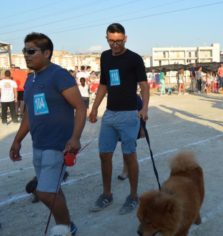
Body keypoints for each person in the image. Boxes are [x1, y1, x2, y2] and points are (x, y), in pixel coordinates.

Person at [9, 32, 86, 235]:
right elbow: (29, 113)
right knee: (53, 190)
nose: (26, 55)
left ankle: (67, 228)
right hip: (38, 144)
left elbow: (80, 107)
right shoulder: (30, 79)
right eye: (25, 51)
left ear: (46, 53)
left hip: (58, 145)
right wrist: (17, 140)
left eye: (31, 51)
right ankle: (68, 225)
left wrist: (75, 137)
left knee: (44, 192)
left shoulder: (59, 75)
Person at [88, 23, 149, 215]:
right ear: (106, 38)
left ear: (125, 38)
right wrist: (95, 107)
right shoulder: (105, 57)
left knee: (129, 155)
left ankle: (133, 196)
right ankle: (107, 194)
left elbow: (144, 86)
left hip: (129, 114)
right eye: (111, 40)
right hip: (110, 114)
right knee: (104, 154)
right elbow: (104, 84)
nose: (115, 44)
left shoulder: (134, 59)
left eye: (119, 41)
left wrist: (145, 108)